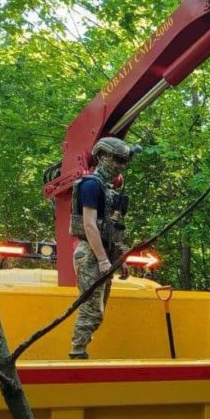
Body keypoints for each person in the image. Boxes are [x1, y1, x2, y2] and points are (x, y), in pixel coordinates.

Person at [68, 137, 138, 359]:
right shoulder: (91, 185)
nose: (121, 165)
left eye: (124, 161)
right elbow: (89, 225)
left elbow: (112, 230)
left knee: (98, 310)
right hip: (90, 253)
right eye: (118, 159)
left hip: (104, 253)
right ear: (103, 156)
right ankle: (77, 353)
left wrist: (119, 259)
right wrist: (102, 260)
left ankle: (80, 350)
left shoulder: (110, 191)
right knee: (91, 309)